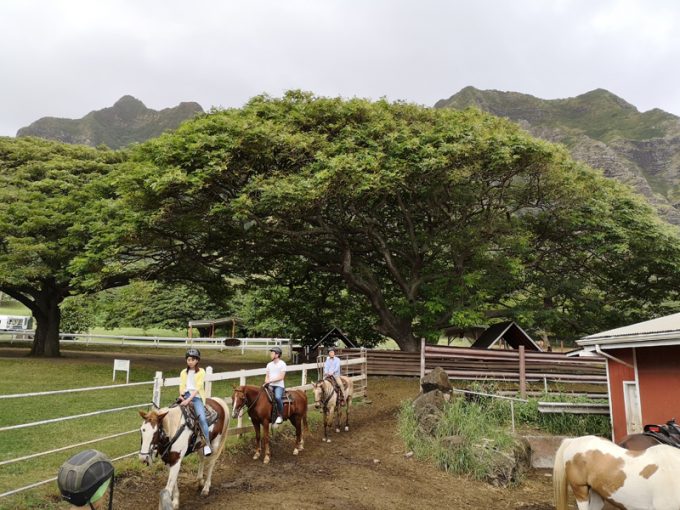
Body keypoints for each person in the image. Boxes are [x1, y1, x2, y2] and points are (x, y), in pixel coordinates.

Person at [179, 347, 212, 456]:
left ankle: (207, 444)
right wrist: (181, 396)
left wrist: (188, 400)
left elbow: (197, 388)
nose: (190, 362)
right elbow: (182, 385)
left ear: (197, 360)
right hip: (186, 395)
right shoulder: (183, 372)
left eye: (193, 359)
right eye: (188, 359)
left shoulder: (201, 372)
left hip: (196, 397)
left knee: (202, 419)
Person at [265, 346, 286, 424]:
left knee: (277, 397)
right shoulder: (269, 365)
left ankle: (280, 415)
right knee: (262, 395)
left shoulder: (282, 364)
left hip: (279, 386)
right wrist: (266, 381)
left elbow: (281, 377)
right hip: (270, 384)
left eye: (272, 353)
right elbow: (267, 375)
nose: (271, 354)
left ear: (277, 355)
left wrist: (270, 380)